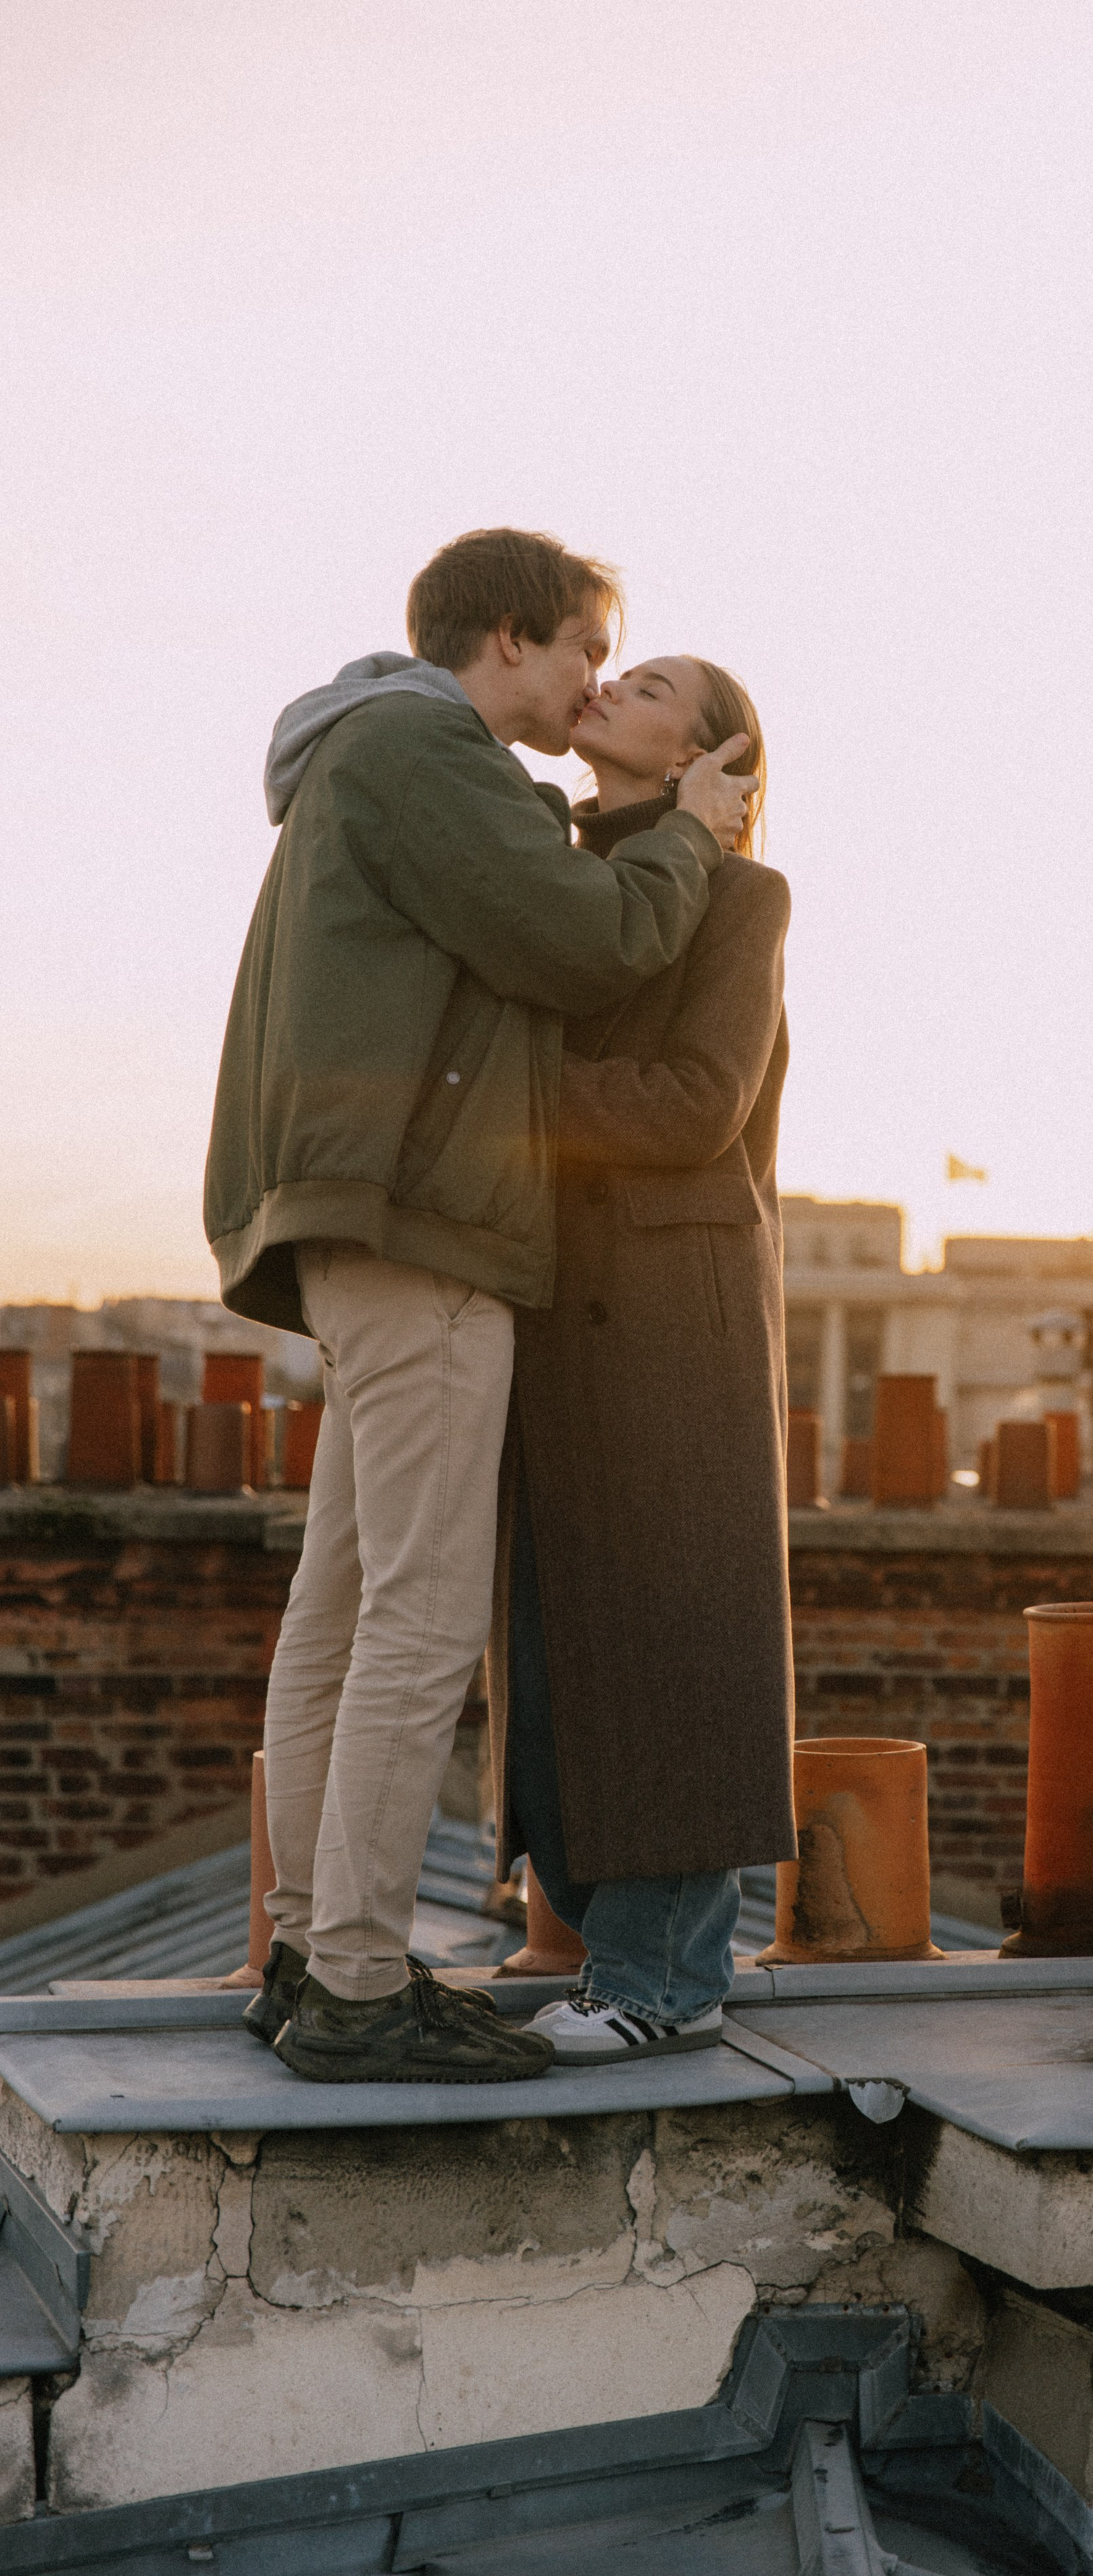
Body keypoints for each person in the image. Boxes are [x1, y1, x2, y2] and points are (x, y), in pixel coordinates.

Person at [204, 532, 756, 2084]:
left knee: (341, 1604)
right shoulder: (420, 748)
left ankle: (314, 1950)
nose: (593, 681)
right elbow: (585, 946)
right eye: (589, 650)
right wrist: (691, 837)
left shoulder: (364, 752)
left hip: (364, 1219)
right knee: (417, 1618)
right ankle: (363, 1983)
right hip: (427, 1227)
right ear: (512, 639)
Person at [485, 654, 796, 2063]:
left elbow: (691, 1106)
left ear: (711, 754)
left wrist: (489, 1093)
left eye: (654, 679)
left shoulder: (740, 895)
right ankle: (625, 1960)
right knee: (561, 1649)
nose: (611, 679)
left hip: (671, 1321)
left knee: (673, 1646)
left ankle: (663, 1983)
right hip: (554, 1305)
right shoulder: (558, 878)